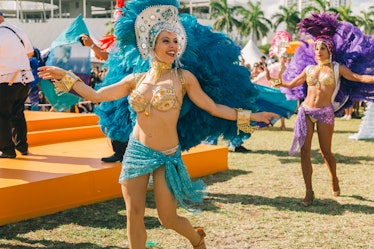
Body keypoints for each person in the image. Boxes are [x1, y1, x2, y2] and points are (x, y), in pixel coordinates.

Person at [38, 2, 278, 248]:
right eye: (166, 41)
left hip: (166, 155)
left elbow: (213, 108)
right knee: (133, 215)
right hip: (136, 152)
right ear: (151, 44)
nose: (173, 45)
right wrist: (64, 75)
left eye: (175, 41)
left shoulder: (184, 79)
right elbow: (96, 95)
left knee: (167, 218)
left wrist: (251, 117)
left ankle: (197, 239)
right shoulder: (135, 79)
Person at [275, 13, 374, 207]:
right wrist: (279, 76)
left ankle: (334, 178)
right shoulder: (309, 70)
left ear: (330, 50)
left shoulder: (338, 69)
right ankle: (309, 191)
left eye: (323, 48)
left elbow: (360, 78)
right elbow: (289, 84)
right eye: (316, 48)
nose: (319, 51)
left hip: (324, 113)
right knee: (305, 152)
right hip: (305, 112)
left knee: (325, 152)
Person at [79, 33, 129, 163]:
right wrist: (91, 45)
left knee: (125, 119)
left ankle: (127, 154)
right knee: (115, 118)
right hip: (116, 85)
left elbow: (108, 57)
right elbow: (107, 57)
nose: (115, 23)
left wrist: (92, 45)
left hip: (129, 86)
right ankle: (119, 152)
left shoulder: (134, 41)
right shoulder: (118, 42)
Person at [0, 11, 35, 158]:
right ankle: (22, 146)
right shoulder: (17, 30)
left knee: (3, 116)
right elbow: (30, 53)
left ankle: (7, 150)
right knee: (18, 114)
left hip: (6, 79)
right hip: (24, 79)